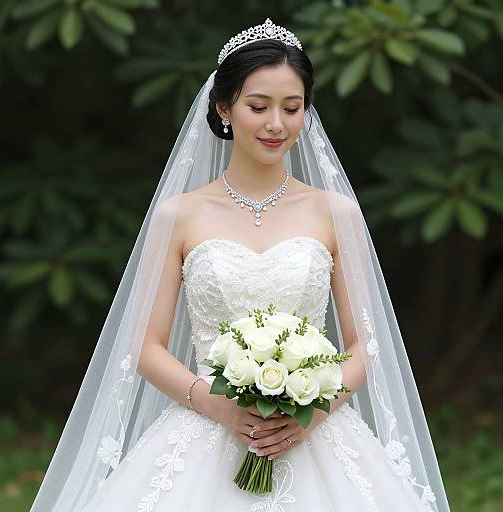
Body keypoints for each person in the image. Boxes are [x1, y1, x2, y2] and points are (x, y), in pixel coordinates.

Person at [30, 18, 450, 512]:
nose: (277, 124)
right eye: (259, 106)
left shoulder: (336, 212)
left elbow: (366, 344)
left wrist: (312, 410)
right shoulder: (179, 216)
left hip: (316, 431)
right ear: (224, 108)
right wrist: (215, 403)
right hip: (205, 425)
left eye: (292, 108)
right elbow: (144, 345)